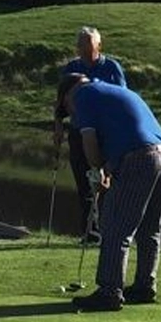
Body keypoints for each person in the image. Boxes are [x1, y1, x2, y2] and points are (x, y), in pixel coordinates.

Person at [57, 72, 161, 312]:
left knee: (115, 226)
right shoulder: (111, 91)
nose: (72, 115)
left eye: (67, 108)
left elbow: (89, 142)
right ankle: (144, 286)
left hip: (140, 158)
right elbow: (124, 133)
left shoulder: (83, 96)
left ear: (69, 95)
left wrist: (97, 170)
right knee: (149, 227)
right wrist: (108, 170)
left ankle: (109, 292)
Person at [53, 26, 125, 241]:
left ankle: (111, 230)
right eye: (80, 44)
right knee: (84, 183)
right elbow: (61, 102)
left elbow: (121, 100)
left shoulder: (112, 68)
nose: (83, 48)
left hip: (105, 134)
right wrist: (58, 127)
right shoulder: (72, 68)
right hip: (79, 131)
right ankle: (90, 232)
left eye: (88, 43)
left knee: (106, 182)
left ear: (98, 45)